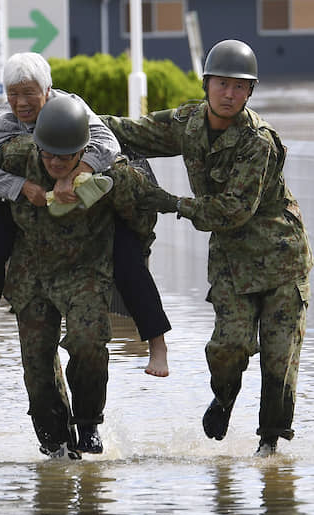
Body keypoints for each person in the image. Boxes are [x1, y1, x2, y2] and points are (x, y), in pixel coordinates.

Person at [101, 39, 313, 457]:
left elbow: (233, 210)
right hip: (233, 261)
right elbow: (131, 131)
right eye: (222, 84)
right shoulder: (190, 123)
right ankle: (225, 396)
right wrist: (71, 117)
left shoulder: (258, 141)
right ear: (207, 84)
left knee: (278, 360)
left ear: (250, 92)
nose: (229, 94)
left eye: (239, 87)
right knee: (228, 346)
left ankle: (269, 448)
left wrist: (171, 203)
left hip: (281, 258)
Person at [0, 52, 171, 377]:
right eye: (13, 93)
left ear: (47, 90)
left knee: (127, 257)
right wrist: (21, 187)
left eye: (29, 92)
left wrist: (75, 174)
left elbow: (107, 142)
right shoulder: (5, 118)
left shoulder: (69, 107)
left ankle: (157, 345)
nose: (21, 102)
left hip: (84, 194)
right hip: (30, 202)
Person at [0, 95, 159, 458]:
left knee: (88, 344)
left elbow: (142, 212)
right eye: (48, 155)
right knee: (37, 367)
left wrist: (131, 256)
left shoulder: (109, 172)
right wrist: (17, 191)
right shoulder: (17, 157)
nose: (55, 163)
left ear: (84, 150)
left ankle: (88, 423)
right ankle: (56, 445)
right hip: (32, 273)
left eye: (65, 157)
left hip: (85, 270)